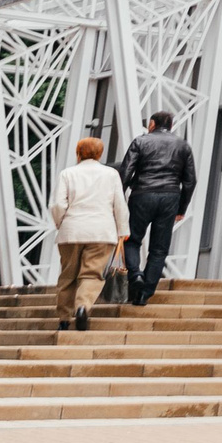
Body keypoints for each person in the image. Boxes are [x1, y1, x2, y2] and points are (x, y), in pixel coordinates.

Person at [48, 136, 127, 333]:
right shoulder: (111, 174)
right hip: (101, 232)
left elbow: (58, 204)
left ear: (78, 152)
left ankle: (64, 319)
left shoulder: (67, 174)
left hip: (72, 231)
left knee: (68, 276)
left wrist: (60, 223)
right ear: (100, 154)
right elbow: (119, 204)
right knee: (91, 274)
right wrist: (123, 231)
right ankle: (82, 307)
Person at [117, 111, 196, 307]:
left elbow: (125, 172)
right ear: (171, 125)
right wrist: (181, 207)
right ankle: (144, 294)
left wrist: (118, 199)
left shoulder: (141, 142)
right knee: (159, 248)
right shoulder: (183, 145)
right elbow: (190, 181)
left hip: (142, 194)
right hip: (170, 197)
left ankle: (135, 275)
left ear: (152, 123)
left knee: (132, 238)